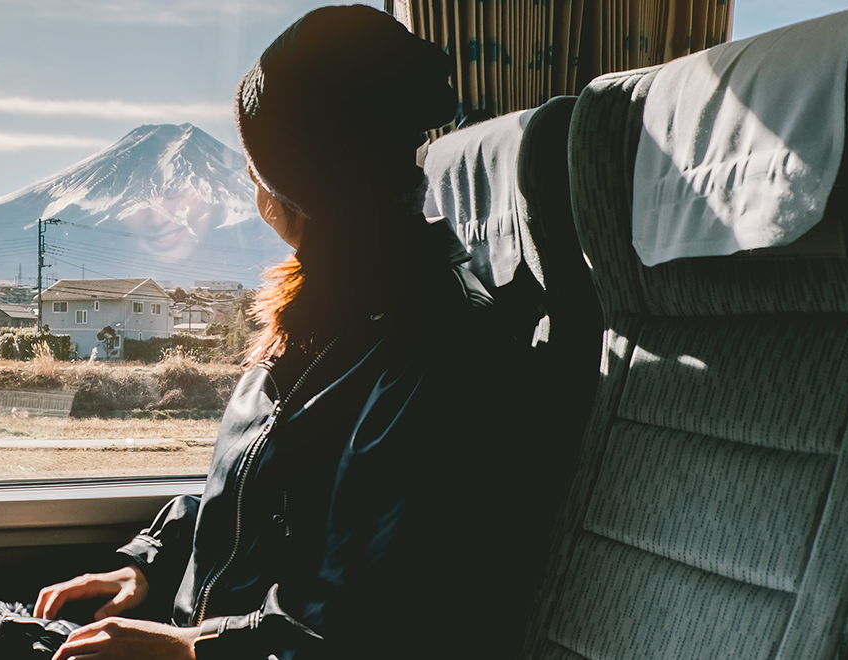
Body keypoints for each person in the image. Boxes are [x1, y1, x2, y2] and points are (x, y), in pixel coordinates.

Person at [34, 5, 538, 659]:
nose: (249, 183)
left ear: (300, 189)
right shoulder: (323, 313)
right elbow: (264, 489)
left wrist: (192, 650)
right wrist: (151, 564)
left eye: (258, 167)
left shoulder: (434, 347)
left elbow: (359, 608)